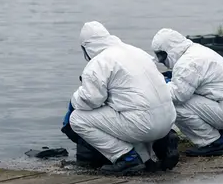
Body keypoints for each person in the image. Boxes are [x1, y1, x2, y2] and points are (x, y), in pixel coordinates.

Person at [66, 21, 177, 175]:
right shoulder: (136, 51)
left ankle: (127, 159)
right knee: (125, 108)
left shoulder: (98, 63)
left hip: (145, 126)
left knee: (78, 118)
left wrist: (74, 98)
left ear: (86, 47)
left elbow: (90, 100)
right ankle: (148, 158)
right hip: (168, 121)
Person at [151, 28, 223, 157]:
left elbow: (177, 95)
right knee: (189, 97)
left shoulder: (187, 64)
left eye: (161, 55)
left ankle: (212, 143)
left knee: (175, 105)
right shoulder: (196, 50)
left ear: (170, 49)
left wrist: (158, 85)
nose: (160, 60)